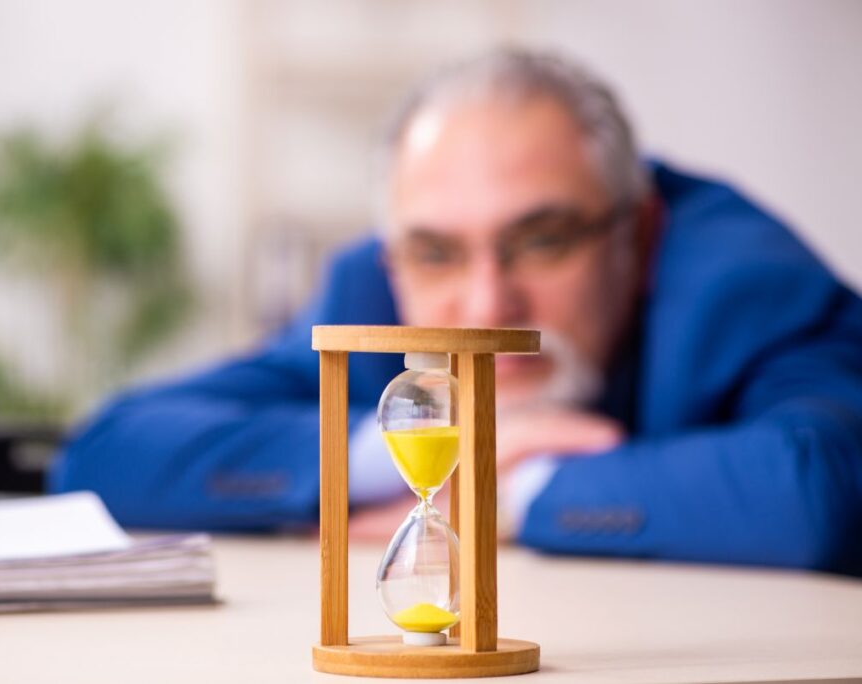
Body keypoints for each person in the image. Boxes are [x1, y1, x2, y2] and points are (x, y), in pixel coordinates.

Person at [50, 48, 862, 574]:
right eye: (436, 252)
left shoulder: (739, 280)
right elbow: (104, 457)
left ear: (638, 233)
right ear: (395, 252)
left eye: (543, 241)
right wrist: (411, 455)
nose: (484, 305)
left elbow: (821, 495)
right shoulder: (371, 290)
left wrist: (503, 491)